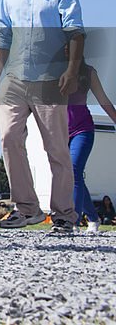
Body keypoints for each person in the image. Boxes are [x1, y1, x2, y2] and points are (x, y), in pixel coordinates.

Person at [0, 0, 83, 234]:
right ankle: (26, 208)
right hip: (14, 79)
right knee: (9, 138)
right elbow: (3, 38)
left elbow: (75, 34)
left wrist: (71, 70)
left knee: (55, 148)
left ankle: (64, 214)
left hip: (50, 81)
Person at [67, 62, 116, 233]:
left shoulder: (88, 72)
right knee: (74, 177)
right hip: (59, 132)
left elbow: (103, 99)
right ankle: (94, 218)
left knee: (74, 172)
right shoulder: (52, 70)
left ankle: (72, 221)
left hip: (82, 129)